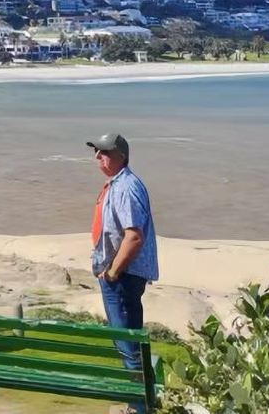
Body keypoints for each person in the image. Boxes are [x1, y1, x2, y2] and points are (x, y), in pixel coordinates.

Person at [87, 132, 159, 398]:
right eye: (96, 151)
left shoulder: (127, 187)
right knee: (124, 339)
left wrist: (113, 272)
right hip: (118, 274)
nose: (98, 156)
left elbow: (134, 236)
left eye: (104, 151)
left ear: (121, 156)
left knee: (127, 341)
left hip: (123, 276)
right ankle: (137, 397)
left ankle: (138, 402)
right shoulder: (116, 184)